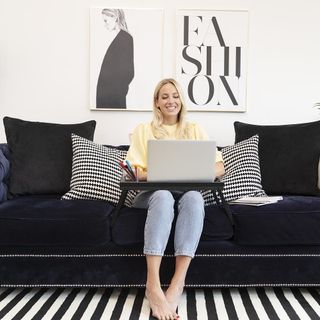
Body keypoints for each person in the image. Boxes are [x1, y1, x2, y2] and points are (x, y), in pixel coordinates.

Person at [126, 78, 225, 320]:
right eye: (165, 97)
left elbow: (220, 167)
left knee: (194, 198)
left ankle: (177, 283)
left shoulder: (194, 130)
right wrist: (156, 174)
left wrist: (200, 172)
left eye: (175, 96)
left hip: (186, 191)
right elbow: (134, 172)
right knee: (163, 196)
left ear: (181, 100)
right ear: (157, 103)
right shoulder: (143, 130)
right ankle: (153, 284)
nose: (171, 101)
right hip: (151, 194)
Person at [96, 9, 134, 108]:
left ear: (115, 18)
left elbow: (129, 72)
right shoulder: (120, 38)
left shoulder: (125, 39)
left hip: (113, 97)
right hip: (109, 96)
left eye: (106, 21)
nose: (105, 25)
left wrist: (117, 91)